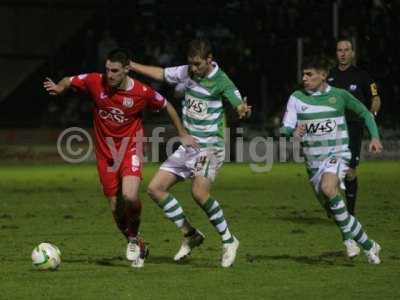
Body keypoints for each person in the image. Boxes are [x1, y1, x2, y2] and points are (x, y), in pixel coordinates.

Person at [43, 48, 196, 268]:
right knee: (116, 206)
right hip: (105, 154)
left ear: (126, 70)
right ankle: (137, 242)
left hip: (130, 148)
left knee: (130, 196)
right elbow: (70, 80)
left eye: (114, 70)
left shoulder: (141, 92)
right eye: (107, 69)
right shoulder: (96, 81)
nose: (110, 75)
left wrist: (181, 133)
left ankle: (133, 237)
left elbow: (167, 105)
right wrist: (59, 87)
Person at [129, 38, 251, 267]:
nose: (193, 69)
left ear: (209, 60)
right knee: (155, 189)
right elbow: (161, 73)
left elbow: (237, 102)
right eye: (190, 64)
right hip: (189, 146)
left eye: (197, 64)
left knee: (199, 193)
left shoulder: (222, 80)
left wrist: (242, 109)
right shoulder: (186, 72)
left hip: (210, 146)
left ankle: (229, 240)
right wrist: (133, 66)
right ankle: (190, 234)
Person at [280, 55, 383, 264]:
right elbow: (284, 129)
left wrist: (374, 137)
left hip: (337, 155)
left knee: (329, 188)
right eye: (303, 74)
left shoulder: (340, 96)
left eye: (309, 74)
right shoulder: (296, 98)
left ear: (323, 75)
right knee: (334, 211)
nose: (304, 78)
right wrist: (293, 133)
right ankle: (368, 244)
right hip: (313, 163)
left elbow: (364, 112)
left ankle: (355, 243)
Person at [328, 38, 382, 215]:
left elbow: (375, 98)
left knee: (350, 170)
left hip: (353, 128)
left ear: (352, 53)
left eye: (346, 50)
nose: (343, 54)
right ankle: (333, 202)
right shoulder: (329, 76)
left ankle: (350, 213)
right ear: (336, 53)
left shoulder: (362, 76)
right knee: (329, 168)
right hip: (332, 128)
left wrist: (371, 115)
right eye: (339, 50)